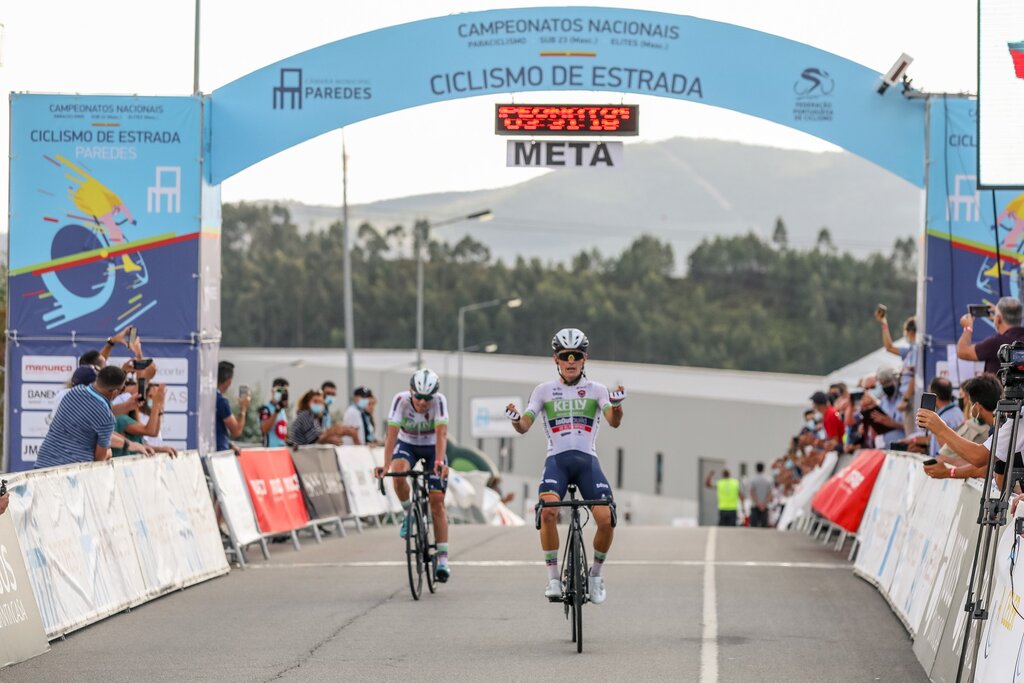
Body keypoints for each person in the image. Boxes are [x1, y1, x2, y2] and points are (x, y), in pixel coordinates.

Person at [505, 328, 625, 604]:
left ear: (585, 359)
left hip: (587, 463)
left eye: (576, 356)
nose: (570, 361)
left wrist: (617, 406)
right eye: (564, 356)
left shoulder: (597, 390)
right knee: (547, 512)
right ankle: (554, 580)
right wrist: (514, 419)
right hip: (557, 462)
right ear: (555, 359)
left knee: (606, 519)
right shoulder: (543, 391)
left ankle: (595, 574)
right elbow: (524, 425)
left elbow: (613, 421)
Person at [375, 369, 453, 582]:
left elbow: (442, 434)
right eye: (418, 397)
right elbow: (391, 435)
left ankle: (443, 559)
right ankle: (409, 513)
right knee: (398, 474)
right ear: (411, 392)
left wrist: (438, 462)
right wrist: (385, 464)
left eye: (427, 398)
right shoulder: (400, 400)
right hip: (407, 444)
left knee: (437, 502)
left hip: (432, 447)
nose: (422, 402)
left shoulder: (439, 402)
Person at [918, 374, 1017, 485]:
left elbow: (980, 462)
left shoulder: (1003, 427)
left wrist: (941, 429)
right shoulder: (998, 427)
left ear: (977, 407)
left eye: (970, 403)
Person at [34, 366, 126, 469]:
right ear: (114, 391)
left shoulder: (73, 392)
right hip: (72, 473)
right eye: (122, 389)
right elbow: (99, 459)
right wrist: (108, 452)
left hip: (43, 464)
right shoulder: (107, 417)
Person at [875, 307, 918, 434]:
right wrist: (884, 323)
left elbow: (916, 376)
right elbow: (889, 347)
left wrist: (905, 399)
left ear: (910, 332)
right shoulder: (910, 350)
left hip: (910, 398)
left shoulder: (917, 350)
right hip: (907, 398)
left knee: (911, 434)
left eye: (905, 332)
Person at [957, 296, 1024, 374]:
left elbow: (963, 352)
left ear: (998, 319)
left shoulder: (996, 343)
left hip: (999, 386)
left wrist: (967, 328)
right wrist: (1001, 315)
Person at [112, 384, 172, 456]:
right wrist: (157, 404)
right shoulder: (122, 420)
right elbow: (151, 431)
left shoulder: (129, 420)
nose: (153, 400)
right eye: (150, 397)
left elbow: (143, 446)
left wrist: (161, 449)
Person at [290, 390, 358, 446]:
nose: (318, 404)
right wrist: (334, 431)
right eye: (315, 401)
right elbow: (315, 440)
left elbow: (320, 437)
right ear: (307, 402)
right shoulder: (305, 415)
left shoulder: (313, 418)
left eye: (320, 402)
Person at [216, 361, 250, 452]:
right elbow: (236, 431)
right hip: (219, 451)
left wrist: (229, 443)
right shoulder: (221, 402)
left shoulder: (206, 398)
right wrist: (243, 409)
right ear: (229, 381)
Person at [260, 378, 290, 448]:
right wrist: (276, 411)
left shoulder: (282, 410)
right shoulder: (266, 408)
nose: (283, 393)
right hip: (270, 449)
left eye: (285, 391)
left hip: (282, 450)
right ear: (273, 390)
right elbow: (264, 429)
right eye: (280, 390)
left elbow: (282, 432)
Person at [746, 463, 773, 528]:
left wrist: (758, 503)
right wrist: (764, 504)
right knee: (764, 526)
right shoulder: (768, 479)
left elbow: (752, 492)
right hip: (764, 506)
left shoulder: (752, 479)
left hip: (755, 505)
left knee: (754, 526)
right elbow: (770, 493)